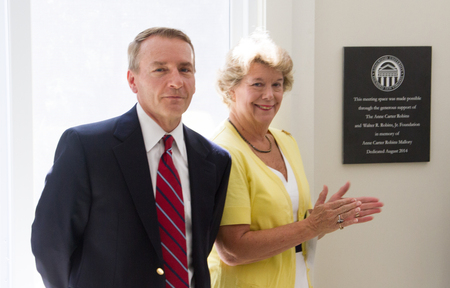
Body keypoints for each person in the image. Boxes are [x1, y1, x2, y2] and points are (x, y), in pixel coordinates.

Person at [31, 27, 231, 288]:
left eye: (185, 69)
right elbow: (50, 245)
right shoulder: (86, 148)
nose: (176, 81)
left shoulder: (214, 160)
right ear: (132, 80)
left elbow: (198, 252)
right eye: (160, 69)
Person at [207, 31, 384, 287]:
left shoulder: (285, 141)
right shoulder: (223, 152)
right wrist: (312, 225)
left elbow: (291, 228)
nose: (269, 95)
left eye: (277, 84)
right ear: (231, 89)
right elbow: (234, 250)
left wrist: (327, 220)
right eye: (257, 84)